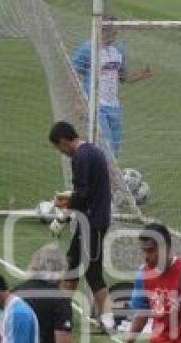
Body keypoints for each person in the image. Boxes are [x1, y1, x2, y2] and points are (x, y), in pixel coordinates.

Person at [48, 121, 116, 331]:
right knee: (71, 265)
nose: (61, 151)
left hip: (92, 223)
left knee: (92, 272)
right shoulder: (93, 151)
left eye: (59, 147)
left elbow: (83, 194)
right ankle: (61, 314)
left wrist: (63, 216)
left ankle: (108, 320)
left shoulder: (80, 157)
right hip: (92, 221)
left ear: (63, 141)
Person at [71, 15, 153, 157]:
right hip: (95, 105)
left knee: (114, 150)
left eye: (116, 30)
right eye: (113, 30)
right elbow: (72, 74)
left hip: (114, 107)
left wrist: (142, 75)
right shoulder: (87, 49)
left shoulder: (118, 49)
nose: (116, 33)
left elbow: (123, 77)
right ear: (102, 29)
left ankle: (106, 177)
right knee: (104, 147)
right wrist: (79, 102)